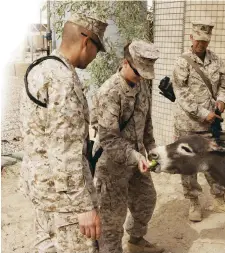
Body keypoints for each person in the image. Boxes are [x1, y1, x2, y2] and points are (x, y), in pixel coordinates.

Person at [20, 14, 108, 252]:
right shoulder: (63, 80)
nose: (95, 56)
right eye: (97, 49)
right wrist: (83, 208)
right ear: (86, 41)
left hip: (41, 189)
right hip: (65, 200)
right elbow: (65, 149)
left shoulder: (42, 68)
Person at [92, 40, 164, 253]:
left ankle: (136, 240)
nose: (141, 77)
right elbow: (109, 139)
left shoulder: (141, 84)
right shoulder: (110, 92)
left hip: (137, 160)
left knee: (147, 200)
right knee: (112, 221)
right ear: (125, 63)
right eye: (137, 71)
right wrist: (135, 155)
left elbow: (146, 123)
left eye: (144, 73)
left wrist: (152, 149)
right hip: (111, 165)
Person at [172, 20, 225, 222]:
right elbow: (181, 94)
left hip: (210, 125)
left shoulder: (217, 61)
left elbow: (224, 87)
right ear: (191, 37)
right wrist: (203, 113)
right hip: (187, 123)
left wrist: (221, 102)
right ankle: (194, 202)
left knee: (213, 160)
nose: (202, 44)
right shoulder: (182, 62)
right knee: (188, 164)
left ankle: (219, 199)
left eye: (205, 41)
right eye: (199, 40)